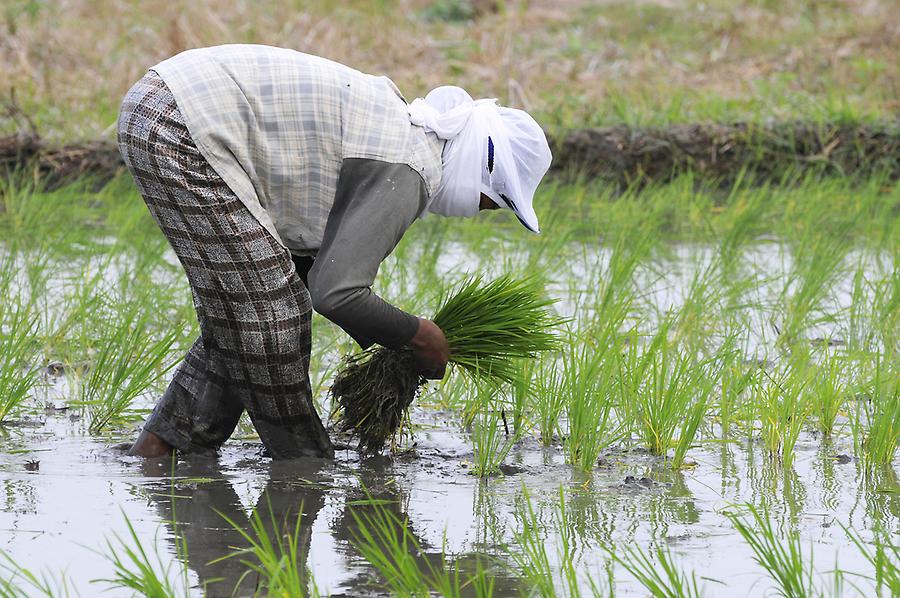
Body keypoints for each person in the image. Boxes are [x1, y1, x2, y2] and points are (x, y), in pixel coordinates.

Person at [117, 44, 552, 460]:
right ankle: (302, 459)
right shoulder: (411, 165)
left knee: (249, 316)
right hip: (180, 121)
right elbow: (336, 292)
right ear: (483, 165)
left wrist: (390, 344)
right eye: (489, 201)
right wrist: (422, 336)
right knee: (273, 315)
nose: (479, 211)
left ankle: (161, 451)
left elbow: (311, 276)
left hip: (167, 105)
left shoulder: (404, 143)